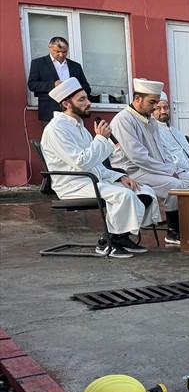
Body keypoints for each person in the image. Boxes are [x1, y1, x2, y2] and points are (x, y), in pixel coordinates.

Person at [40, 77, 159, 258]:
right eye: (81, 100)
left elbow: (96, 165)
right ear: (66, 103)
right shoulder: (56, 129)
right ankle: (106, 242)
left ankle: (120, 237)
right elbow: (82, 162)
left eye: (87, 98)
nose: (88, 103)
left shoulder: (79, 126)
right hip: (74, 184)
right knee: (124, 195)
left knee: (144, 191)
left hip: (93, 179)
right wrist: (101, 139)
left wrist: (119, 177)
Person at [110, 78, 189, 245]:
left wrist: (171, 167)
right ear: (137, 99)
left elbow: (163, 149)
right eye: (152, 102)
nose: (154, 107)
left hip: (152, 168)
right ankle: (174, 231)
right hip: (132, 171)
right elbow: (138, 156)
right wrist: (167, 171)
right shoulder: (123, 119)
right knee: (175, 185)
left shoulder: (150, 119)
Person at [28, 36, 91, 124]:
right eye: (57, 51)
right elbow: (32, 85)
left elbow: (86, 87)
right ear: (50, 48)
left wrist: (75, 89)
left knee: (75, 136)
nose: (61, 55)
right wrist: (53, 85)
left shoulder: (75, 66)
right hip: (49, 110)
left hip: (73, 110)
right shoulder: (38, 63)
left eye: (64, 52)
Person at [153, 93, 189, 175]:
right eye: (158, 108)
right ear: (152, 111)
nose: (163, 111)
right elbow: (168, 158)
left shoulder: (175, 130)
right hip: (179, 172)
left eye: (166, 108)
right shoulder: (154, 132)